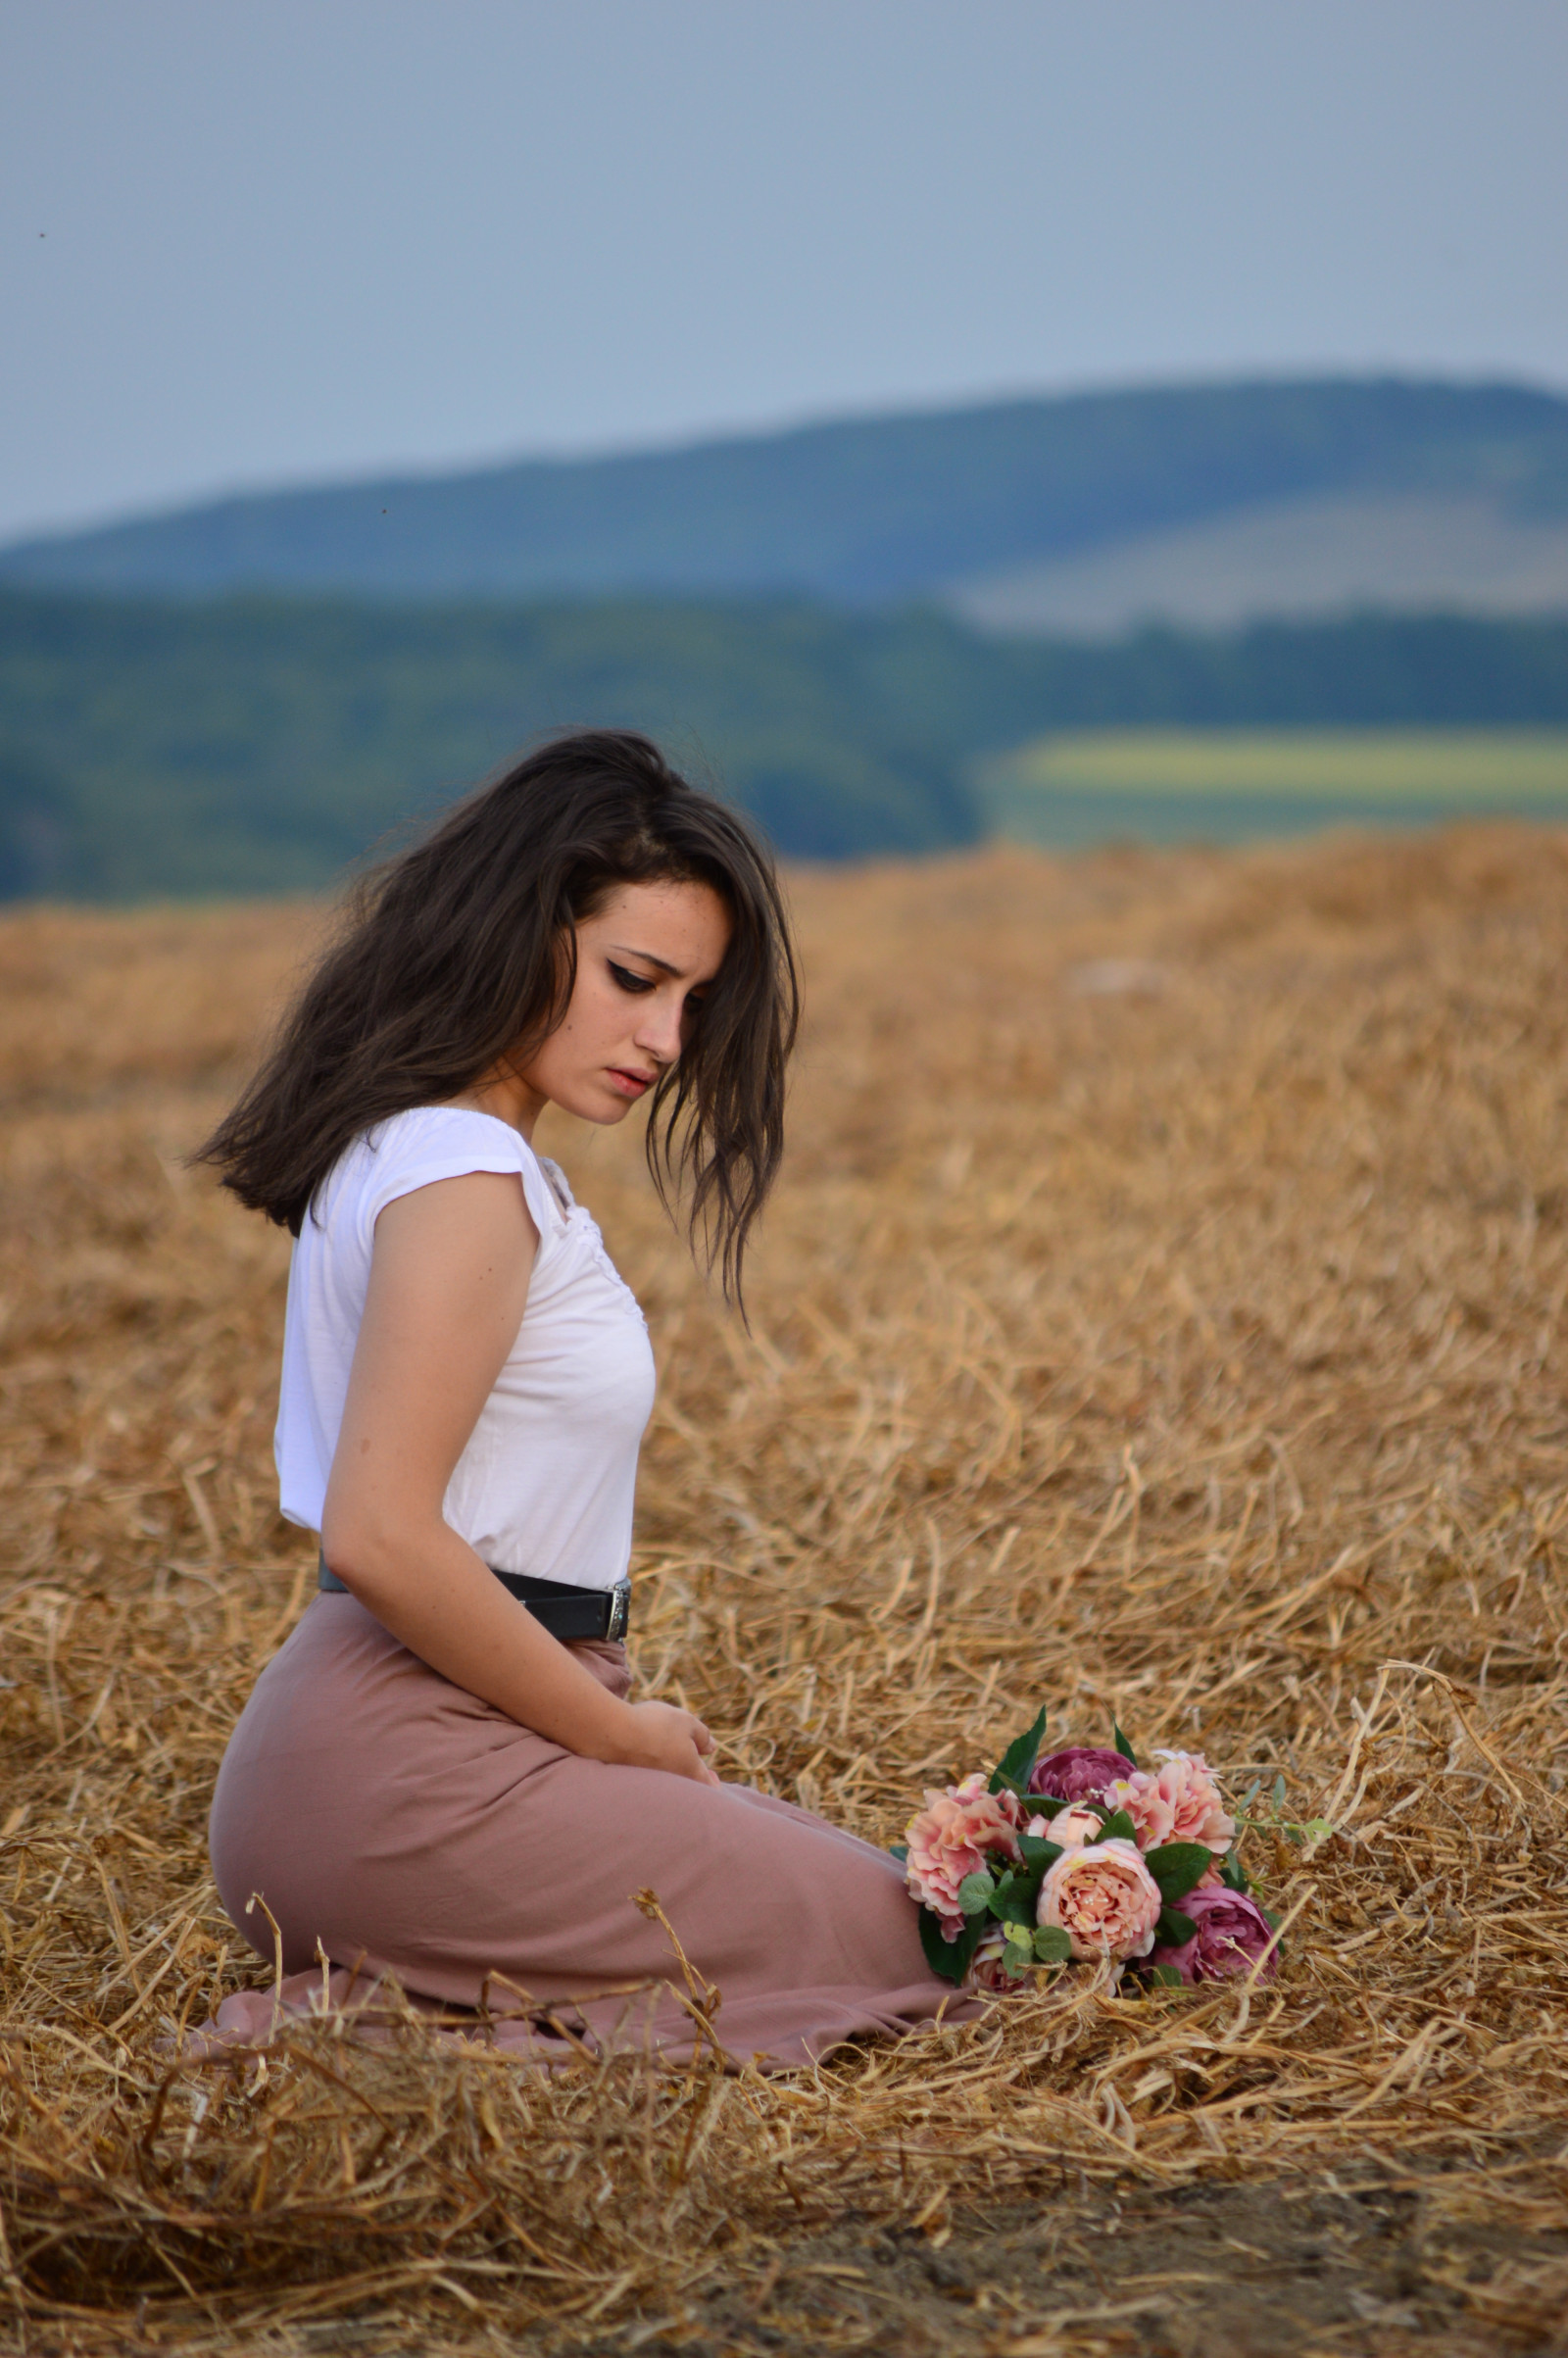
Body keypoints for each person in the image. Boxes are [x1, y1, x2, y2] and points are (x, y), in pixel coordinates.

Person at [194, 731, 978, 2068]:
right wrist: (617, 1735)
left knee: (914, 1909)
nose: (665, 1040)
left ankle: (391, 2023)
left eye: (692, 1001)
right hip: (409, 1773)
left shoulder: (435, 1151)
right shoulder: (462, 1172)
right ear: (520, 926)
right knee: (927, 1952)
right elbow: (380, 1533)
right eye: (634, 978)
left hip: (401, 1749)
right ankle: (351, 2046)